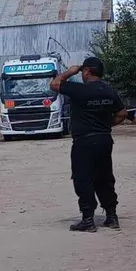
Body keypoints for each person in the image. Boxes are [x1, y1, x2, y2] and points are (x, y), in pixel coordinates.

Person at [50, 57, 128, 233]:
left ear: (86, 71)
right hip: (104, 139)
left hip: (84, 141)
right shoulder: (109, 91)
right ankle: (111, 216)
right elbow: (122, 113)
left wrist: (70, 71)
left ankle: (87, 220)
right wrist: (107, 125)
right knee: (105, 178)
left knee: (83, 179)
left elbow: (54, 84)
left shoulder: (80, 90)